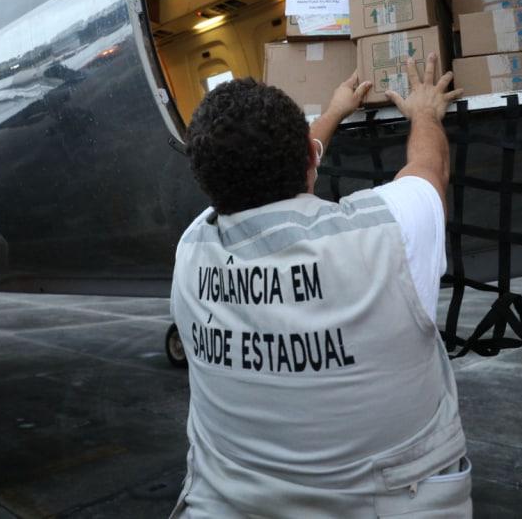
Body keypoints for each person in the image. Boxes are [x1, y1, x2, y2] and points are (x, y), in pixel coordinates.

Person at [169, 56, 470, 518]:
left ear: (207, 184)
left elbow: (278, 162)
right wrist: (425, 112)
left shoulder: (192, 247)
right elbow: (430, 167)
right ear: (312, 158)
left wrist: (331, 113)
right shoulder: (387, 232)